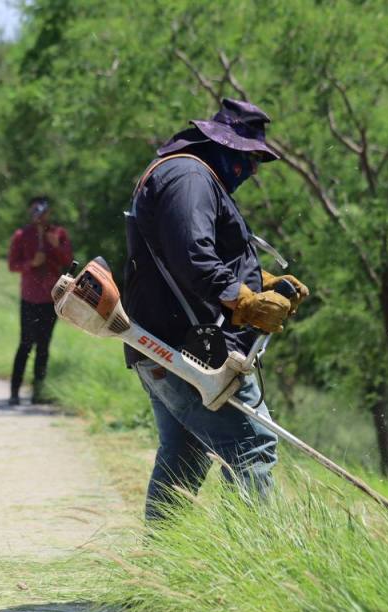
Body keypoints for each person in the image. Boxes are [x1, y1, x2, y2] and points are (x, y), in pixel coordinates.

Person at [123, 98, 309, 521]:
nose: (253, 170)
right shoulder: (190, 177)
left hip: (169, 346)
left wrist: (262, 284)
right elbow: (193, 256)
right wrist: (244, 301)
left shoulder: (186, 175)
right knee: (252, 445)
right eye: (250, 158)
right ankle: (253, 556)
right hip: (191, 350)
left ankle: (159, 557)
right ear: (224, 147)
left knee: (186, 452)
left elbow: (187, 255)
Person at [7, 196, 73, 405]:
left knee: (44, 346)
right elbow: (12, 265)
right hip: (29, 297)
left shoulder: (59, 234)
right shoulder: (21, 235)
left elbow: (68, 261)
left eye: (43, 211)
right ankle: (14, 392)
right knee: (25, 344)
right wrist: (31, 263)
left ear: (49, 213)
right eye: (35, 211)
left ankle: (38, 392)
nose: (40, 216)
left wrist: (56, 246)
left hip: (51, 298)